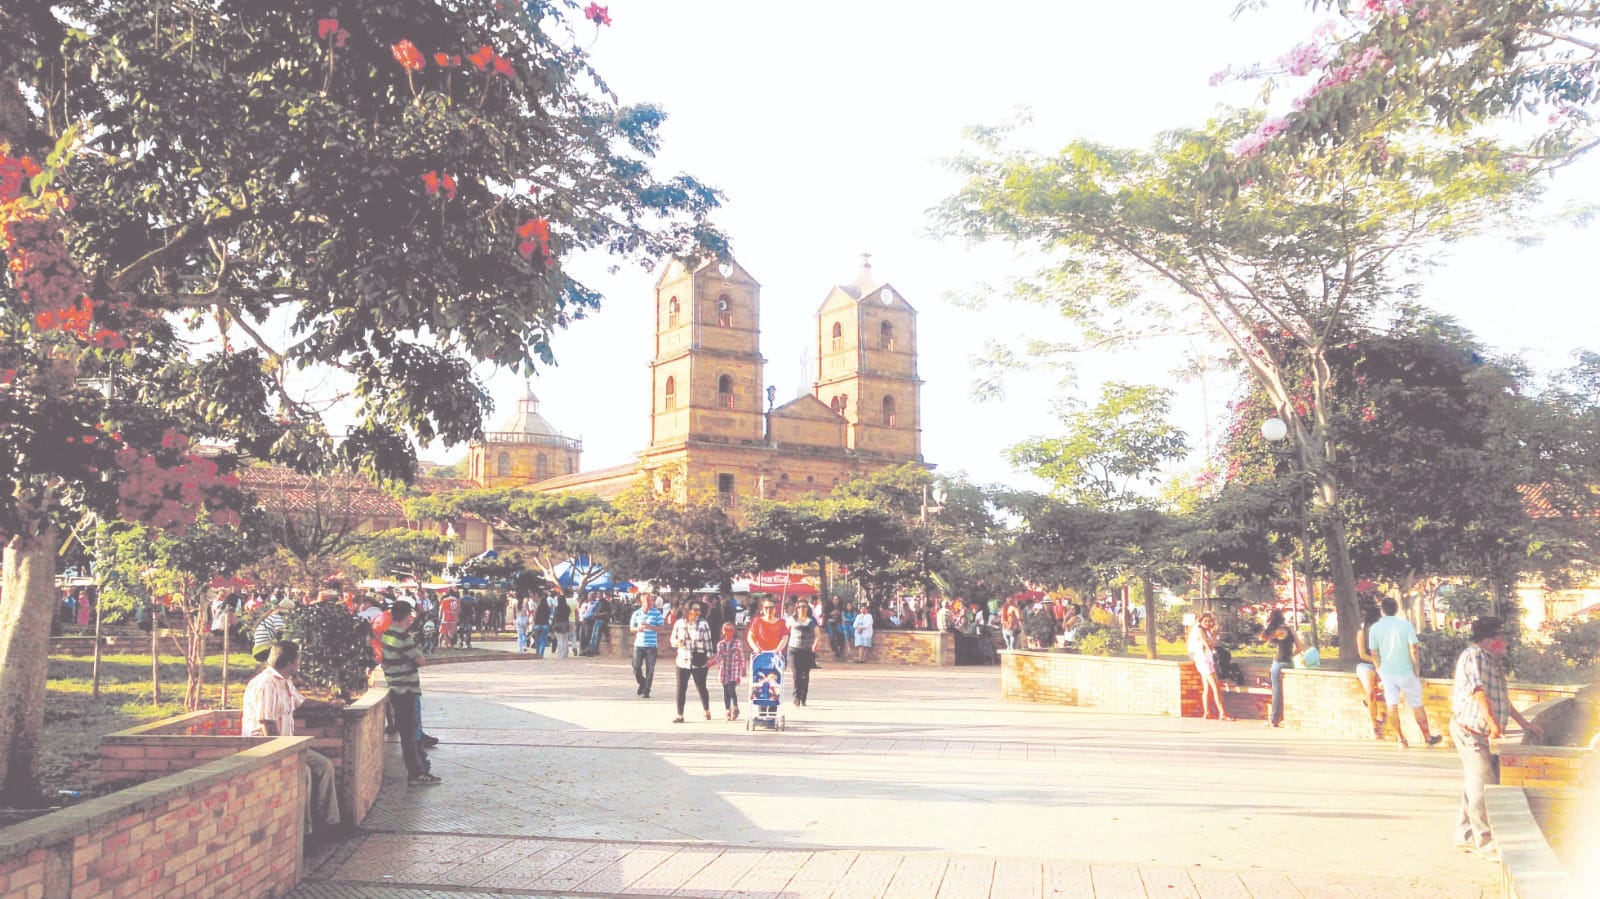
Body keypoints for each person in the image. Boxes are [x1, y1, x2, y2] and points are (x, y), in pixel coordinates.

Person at [1451, 617, 1543, 859]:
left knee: (1475, 780)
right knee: (1482, 783)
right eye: (1502, 637)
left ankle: (1465, 835)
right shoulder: (1474, 656)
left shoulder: (1493, 661)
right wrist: (1492, 725)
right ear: (1491, 639)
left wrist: (1524, 723)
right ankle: (1483, 841)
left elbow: (1501, 698)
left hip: (1484, 730)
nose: (1507, 642)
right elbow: (1478, 692)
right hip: (1470, 730)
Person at [241, 640, 344, 833]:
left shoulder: (284, 680)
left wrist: (330, 704)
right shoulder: (266, 684)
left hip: (288, 743)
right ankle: (304, 831)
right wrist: (279, 753)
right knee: (301, 772)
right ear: (289, 661)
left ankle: (328, 822)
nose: (299, 663)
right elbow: (266, 723)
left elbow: (301, 702)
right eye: (297, 659)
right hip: (265, 746)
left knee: (323, 766)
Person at [1367, 596, 1442, 748]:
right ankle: (1427, 736)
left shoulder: (1374, 628)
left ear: (1382, 610)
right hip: (1406, 671)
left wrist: (1379, 669)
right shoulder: (1406, 626)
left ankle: (1400, 738)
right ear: (1396, 609)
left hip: (1387, 672)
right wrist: (1417, 669)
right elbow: (1413, 649)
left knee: (1392, 704)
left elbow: (1374, 652)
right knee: (1416, 704)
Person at [381, 601, 442, 785]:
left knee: (407, 733)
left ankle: (418, 770)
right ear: (407, 615)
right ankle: (417, 773)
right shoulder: (403, 638)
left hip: (396, 688)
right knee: (412, 734)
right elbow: (421, 660)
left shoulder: (388, 634)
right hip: (407, 689)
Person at [670, 601, 714, 723]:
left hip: (699, 661)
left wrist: (710, 658)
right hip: (683, 659)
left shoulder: (703, 624)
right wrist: (678, 642)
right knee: (681, 688)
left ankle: (706, 709)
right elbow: (672, 640)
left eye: (699, 610)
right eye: (695, 610)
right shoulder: (679, 624)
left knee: (701, 686)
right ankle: (680, 714)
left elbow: (708, 642)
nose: (698, 612)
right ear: (688, 611)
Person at [1260, 609, 1304, 728]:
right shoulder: (1290, 630)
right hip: (1289, 662)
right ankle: (1281, 717)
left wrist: (1266, 623)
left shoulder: (1276, 631)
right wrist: (1290, 655)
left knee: (1276, 691)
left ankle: (1274, 719)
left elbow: (1262, 638)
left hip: (1278, 662)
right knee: (1284, 691)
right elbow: (1300, 648)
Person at [1188, 613, 1230, 720]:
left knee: (1207, 688)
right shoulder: (1199, 630)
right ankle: (1222, 713)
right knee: (1216, 686)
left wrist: (1213, 637)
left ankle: (1207, 712)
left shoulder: (1206, 631)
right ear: (1200, 621)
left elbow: (1213, 644)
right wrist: (1214, 637)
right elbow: (1209, 645)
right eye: (1205, 621)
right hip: (1203, 660)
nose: (1208, 623)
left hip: (1207, 659)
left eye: (1209, 621)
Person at [1355, 599, 1386, 739]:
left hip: (1380, 664)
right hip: (1366, 664)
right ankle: (1374, 726)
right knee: (1371, 692)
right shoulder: (1362, 634)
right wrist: (1376, 662)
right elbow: (1362, 654)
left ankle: (1369, 702)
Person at [630, 593, 666, 698]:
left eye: (651, 601)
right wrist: (638, 629)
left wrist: (650, 627)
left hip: (651, 645)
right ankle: (642, 683)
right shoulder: (636, 614)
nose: (649, 603)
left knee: (650, 669)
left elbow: (661, 628)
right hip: (639, 644)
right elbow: (632, 629)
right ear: (642, 602)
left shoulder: (657, 613)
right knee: (636, 667)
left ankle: (647, 690)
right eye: (647, 601)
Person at [788, 601, 824, 706]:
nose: (801, 609)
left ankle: (803, 697)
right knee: (796, 674)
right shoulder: (792, 619)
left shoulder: (811, 620)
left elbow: (818, 635)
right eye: (799, 607)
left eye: (804, 607)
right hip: (794, 649)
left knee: (805, 675)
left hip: (807, 650)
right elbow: (785, 632)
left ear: (807, 608)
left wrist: (815, 644)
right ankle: (796, 697)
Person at [710, 622, 746, 720]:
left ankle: (735, 707)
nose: (728, 632)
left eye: (730, 630)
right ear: (723, 631)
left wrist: (743, 668)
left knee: (731, 688)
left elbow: (742, 656)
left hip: (734, 669)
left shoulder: (738, 643)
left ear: (734, 632)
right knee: (726, 691)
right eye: (726, 630)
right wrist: (711, 663)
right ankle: (727, 710)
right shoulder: (720, 644)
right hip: (724, 669)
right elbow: (719, 657)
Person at [252, 598, 295, 663]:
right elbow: (280, 633)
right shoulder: (277, 618)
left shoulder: (271, 617)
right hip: (264, 651)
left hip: (258, 650)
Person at [551, 593, 573, 658]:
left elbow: (555, 617)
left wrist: (552, 624)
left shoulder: (557, 608)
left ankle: (561, 653)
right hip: (566, 623)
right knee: (565, 639)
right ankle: (565, 653)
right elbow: (569, 613)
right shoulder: (567, 607)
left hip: (558, 624)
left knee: (560, 639)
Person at [532, 592, 552, 657]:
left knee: (537, 640)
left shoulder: (538, 608)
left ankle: (537, 652)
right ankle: (541, 654)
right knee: (543, 640)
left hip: (537, 625)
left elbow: (535, 617)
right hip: (545, 625)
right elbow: (549, 616)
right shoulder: (547, 609)